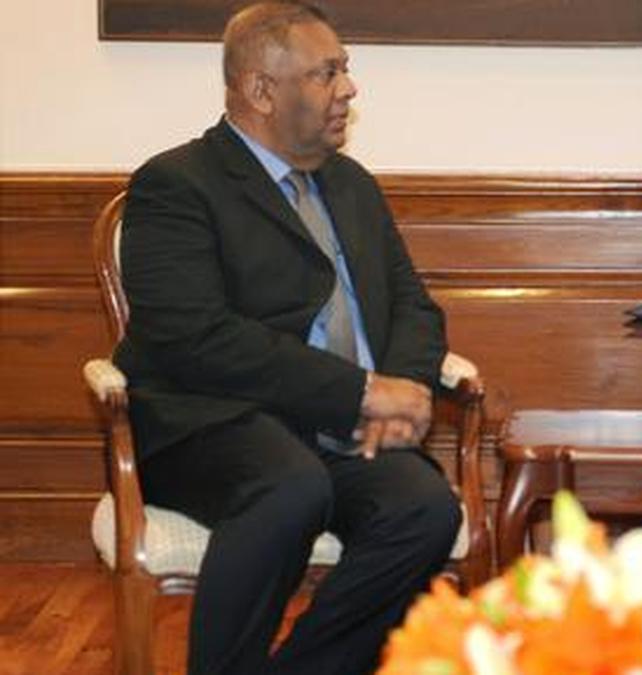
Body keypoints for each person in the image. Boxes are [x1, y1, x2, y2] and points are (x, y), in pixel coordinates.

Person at [114, 2, 460, 673]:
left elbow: (414, 307)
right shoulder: (177, 184)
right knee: (291, 487)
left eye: (345, 69)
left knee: (423, 508)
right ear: (261, 90)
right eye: (326, 73)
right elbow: (194, 337)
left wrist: (404, 392)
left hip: (339, 431)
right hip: (213, 424)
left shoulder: (351, 185)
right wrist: (362, 391)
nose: (349, 89)